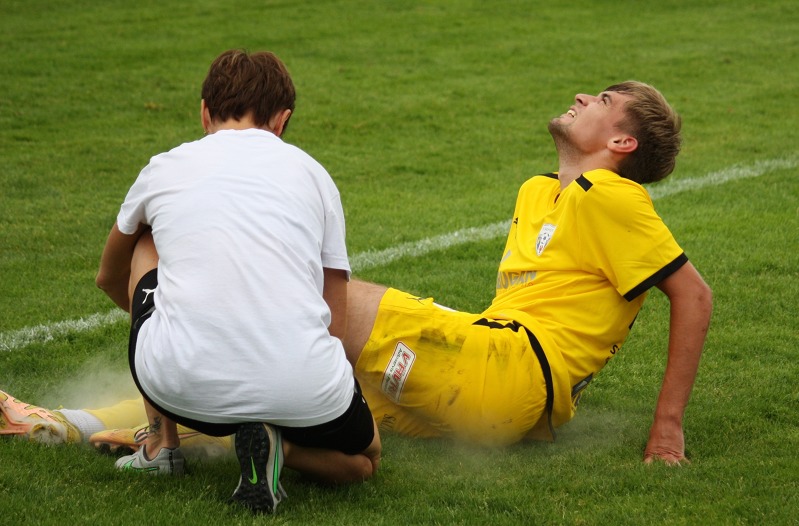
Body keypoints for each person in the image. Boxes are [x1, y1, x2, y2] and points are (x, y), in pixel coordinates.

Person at [2, 80, 710, 467]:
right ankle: (61, 424)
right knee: (282, 387)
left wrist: (666, 431)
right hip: (491, 383)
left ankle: (165, 425)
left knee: (303, 315)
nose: (582, 96)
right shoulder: (540, 191)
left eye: (602, 101)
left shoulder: (610, 194)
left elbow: (693, 296)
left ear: (622, 142)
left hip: (508, 368)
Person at [93, 48, 381, 514]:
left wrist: (173, 316)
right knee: (366, 461)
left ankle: (161, 446)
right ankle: (283, 446)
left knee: (144, 239)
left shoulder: (164, 167)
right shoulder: (314, 175)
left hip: (180, 387)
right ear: (283, 121)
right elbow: (336, 319)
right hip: (303, 386)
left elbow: (109, 276)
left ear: (204, 113)